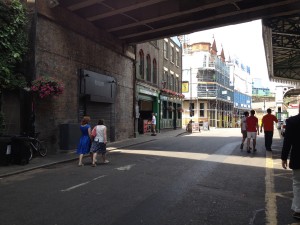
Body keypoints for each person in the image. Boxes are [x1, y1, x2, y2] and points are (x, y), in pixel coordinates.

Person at [281, 105, 300, 219]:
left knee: (297, 184)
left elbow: (287, 141)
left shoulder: (292, 121)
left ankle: (298, 210)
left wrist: (284, 157)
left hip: (298, 158)